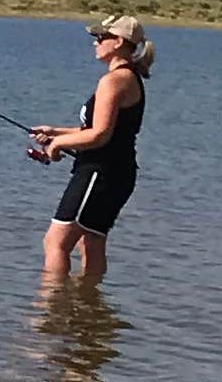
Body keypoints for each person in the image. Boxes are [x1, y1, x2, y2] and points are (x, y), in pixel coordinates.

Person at [27, 16, 152, 287]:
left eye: (101, 38)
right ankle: (89, 308)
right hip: (117, 172)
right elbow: (99, 129)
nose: (95, 43)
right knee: (90, 242)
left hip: (101, 172)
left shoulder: (114, 81)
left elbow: (99, 135)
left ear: (118, 42)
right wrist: (55, 132)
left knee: (55, 242)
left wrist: (58, 146)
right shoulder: (128, 78)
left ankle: (52, 310)